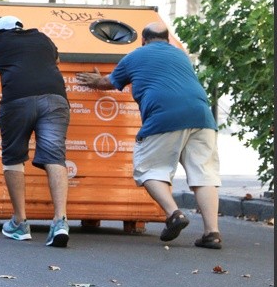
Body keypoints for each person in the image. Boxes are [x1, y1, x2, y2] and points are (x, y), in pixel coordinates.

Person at [76, 21, 222, 249]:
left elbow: (109, 82)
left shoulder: (135, 56)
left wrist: (95, 81)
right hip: (202, 116)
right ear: (167, 39)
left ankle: (174, 214)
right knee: (204, 173)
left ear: (143, 39)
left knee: (149, 168)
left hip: (164, 116)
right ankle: (212, 233)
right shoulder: (180, 55)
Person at [0, 15, 71, 248]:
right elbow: (56, 59)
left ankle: (20, 222)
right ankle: (60, 221)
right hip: (55, 98)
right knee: (55, 157)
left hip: (17, 100)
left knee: (14, 157)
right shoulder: (42, 37)